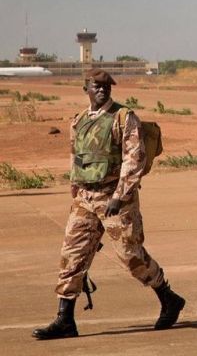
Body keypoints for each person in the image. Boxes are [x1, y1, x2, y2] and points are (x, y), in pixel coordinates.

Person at [33, 69, 185, 339]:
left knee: (130, 255)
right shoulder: (79, 120)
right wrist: (75, 187)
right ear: (86, 89)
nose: (102, 90)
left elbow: (134, 158)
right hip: (85, 198)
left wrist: (119, 195)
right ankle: (65, 319)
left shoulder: (123, 117)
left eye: (106, 86)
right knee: (72, 254)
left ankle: (168, 297)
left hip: (114, 197)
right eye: (97, 86)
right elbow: (76, 156)